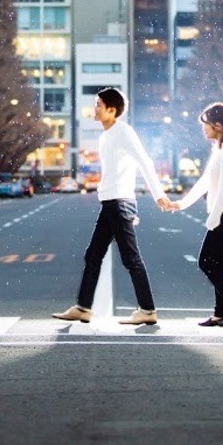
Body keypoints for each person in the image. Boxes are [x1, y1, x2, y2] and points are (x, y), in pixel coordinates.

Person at [52, 88, 172, 326]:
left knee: (130, 258)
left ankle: (147, 310)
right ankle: (83, 308)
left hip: (119, 203)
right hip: (110, 202)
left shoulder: (123, 132)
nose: (94, 108)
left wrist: (158, 194)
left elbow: (145, 161)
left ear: (111, 110)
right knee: (93, 255)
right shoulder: (105, 135)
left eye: (98, 104)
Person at [168, 102, 223, 327]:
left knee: (205, 262)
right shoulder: (219, 148)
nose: (204, 128)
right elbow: (205, 182)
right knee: (216, 264)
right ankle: (220, 313)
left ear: (219, 125)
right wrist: (182, 204)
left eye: (207, 124)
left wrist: (214, 216)